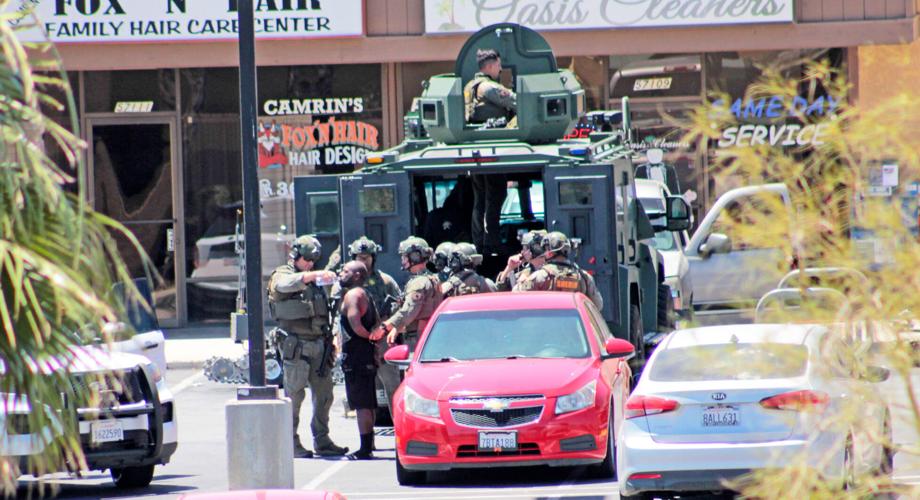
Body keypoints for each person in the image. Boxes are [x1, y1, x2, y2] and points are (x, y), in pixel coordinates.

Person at [267, 235, 349, 459]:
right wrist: (310, 275)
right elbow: (284, 285)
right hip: (297, 346)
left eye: (313, 261)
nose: (311, 264)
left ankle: (322, 440)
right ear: (295, 256)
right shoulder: (282, 275)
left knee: (324, 396)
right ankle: (291, 442)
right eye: (307, 260)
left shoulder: (314, 279)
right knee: (295, 397)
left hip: (319, 345)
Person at [331, 236, 402, 420]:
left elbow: (400, 308)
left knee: (392, 385)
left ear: (373, 257)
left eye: (367, 257)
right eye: (359, 257)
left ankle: (399, 430)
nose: (363, 260)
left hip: (382, 338)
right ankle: (367, 438)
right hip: (356, 341)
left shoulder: (386, 281)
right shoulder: (343, 284)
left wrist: (387, 328)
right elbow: (336, 311)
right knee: (362, 390)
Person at [337, 261, 379, 460]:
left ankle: (364, 449)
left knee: (362, 403)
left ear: (356, 276)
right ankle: (369, 443)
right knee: (368, 402)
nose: (340, 273)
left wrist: (370, 337)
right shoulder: (365, 293)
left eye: (345, 271)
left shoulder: (353, 295)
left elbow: (356, 326)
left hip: (357, 354)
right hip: (365, 353)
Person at [370, 237, 443, 353]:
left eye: (404, 256)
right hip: (430, 337)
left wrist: (384, 327)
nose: (402, 260)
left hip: (418, 339)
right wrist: (397, 328)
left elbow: (408, 310)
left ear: (415, 256)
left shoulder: (418, 283)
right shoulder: (434, 279)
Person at [515, 231, 604, 310]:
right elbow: (598, 305)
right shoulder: (584, 277)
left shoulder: (539, 276)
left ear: (549, 252)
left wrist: (522, 279)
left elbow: (515, 297)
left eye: (545, 250)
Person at [463, 49, 516, 124]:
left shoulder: (469, 86)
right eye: (498, 65)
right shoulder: (488, 86)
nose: (500, 69)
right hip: (493, 132)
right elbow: (516, 101)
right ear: (490, 66)